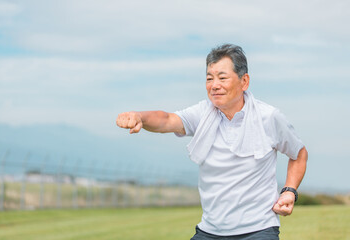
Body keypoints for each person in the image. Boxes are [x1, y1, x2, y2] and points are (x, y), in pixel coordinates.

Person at [116, 44, 308, 240]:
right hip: (210, 231)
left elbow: (299, 153)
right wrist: (139, 116)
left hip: (259, 229)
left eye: (222, 78)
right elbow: (166, 119)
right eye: (209, 78)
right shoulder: (202, 114)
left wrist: (289, 191)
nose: (214, 85)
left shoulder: (269, 117)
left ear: (244, 81)